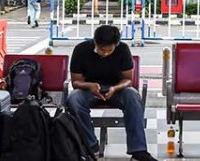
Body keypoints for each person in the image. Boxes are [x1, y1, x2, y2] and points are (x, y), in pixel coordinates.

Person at [66, 26, 157, 161]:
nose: (105, 54)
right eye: (102, 50)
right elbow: (76, 82)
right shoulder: (81, 50)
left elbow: (127, 80)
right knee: (73, 99)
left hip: (116, 90)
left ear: (116, 44)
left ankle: (138, 150)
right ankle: (91, 146)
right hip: (90, 90)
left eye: (110, 50)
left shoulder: (123, 49)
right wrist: (90, 86)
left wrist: (115, 88)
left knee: (132, 95)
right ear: (95, 43)